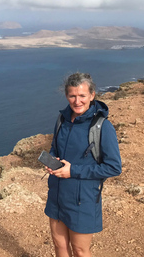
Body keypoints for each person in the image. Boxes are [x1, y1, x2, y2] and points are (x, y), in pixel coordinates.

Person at [44, 72, 122, 257]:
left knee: (80, 250)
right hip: (57, 194)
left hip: (83, 198)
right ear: (66, 96)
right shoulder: (62, 120)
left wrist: (73, 171)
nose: (77, 101)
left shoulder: (102, 127)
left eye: (82, 96)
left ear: (92, 95)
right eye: (72, 96)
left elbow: (113, 167)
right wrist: (52, 162)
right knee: (59, 244)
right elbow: (55, 148)